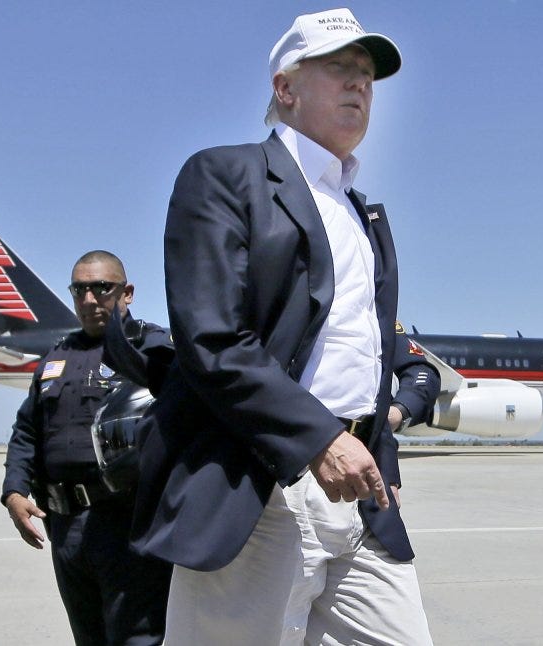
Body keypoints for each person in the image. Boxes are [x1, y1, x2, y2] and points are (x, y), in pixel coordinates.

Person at [130, 7, 434, 644]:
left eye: (367, 75)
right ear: (285, 87)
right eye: (339, 67)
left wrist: (380, 457)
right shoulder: (225, 175)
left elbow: (368, 357)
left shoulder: (362, 214)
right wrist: (320, 439)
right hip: (259, 483)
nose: (359, 83)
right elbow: (213, 339)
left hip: (359, 490)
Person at [1, 250, 171, 646]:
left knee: (138, 638)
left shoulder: (153, 349)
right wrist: (14, 492)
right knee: (88, 637)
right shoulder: (58, 356)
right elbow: (27, 430)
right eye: (79, 290)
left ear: (127, 293)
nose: (89, 300)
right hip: (66, 526)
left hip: (128, 525)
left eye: (101, 288)